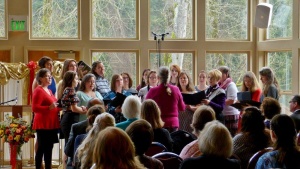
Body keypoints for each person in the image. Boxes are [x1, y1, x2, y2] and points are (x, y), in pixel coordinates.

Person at [32, 68, 60, 169]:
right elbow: (34, 107)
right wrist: (48, 108)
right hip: (43, 124)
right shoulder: (38, 90)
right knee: (41, 149)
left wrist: (65, 105)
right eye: (47, 76)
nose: (50, 78)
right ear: (41, 78)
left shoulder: (49, 90)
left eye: (50, 76)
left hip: (51, 123)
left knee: (49, 148)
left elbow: (55, 105)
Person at [146, 66, 185, 133]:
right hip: (174, 124)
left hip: (158, 123)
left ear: (158, 78)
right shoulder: (176, 89)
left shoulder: (152, 91)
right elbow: (182, 108)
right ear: (169, 77)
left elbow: (145, 107)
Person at [60, 71, 87, 144]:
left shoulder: (67, 89)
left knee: (68, 144)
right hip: (70, 119)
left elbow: (70, 106)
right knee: (70, 144)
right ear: (70, 80)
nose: (78, 81)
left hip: (67, 117)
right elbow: (74, 109)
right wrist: (86, 111)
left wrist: (81, 107)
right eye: (76, 79)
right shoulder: (70, 90)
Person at [218, 66, 239, 136]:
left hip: (230, 115)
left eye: (221, 74)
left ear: (226, 74)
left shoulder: (231, 85)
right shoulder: (219, 85)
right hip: (223, 114)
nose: (219, 76)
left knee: (230, 136)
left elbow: (231, 100)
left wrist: (218, 102)